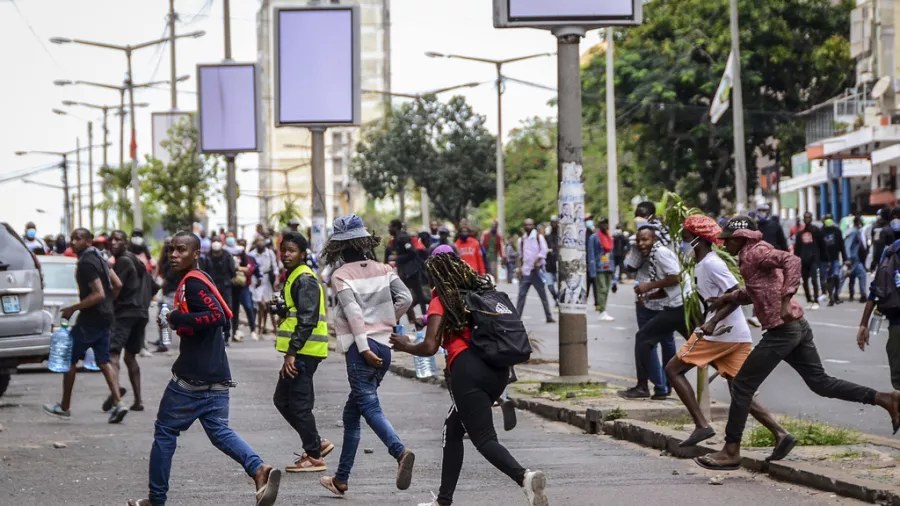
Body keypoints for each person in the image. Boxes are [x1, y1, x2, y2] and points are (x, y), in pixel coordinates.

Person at [694, 216, 900, 471]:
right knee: (820, 383)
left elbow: (793, 261)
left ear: (739, 238)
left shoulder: (756, 252)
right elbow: (755, 291)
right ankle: (885, 399)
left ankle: (731, 450)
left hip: (783, 329)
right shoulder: (750, 256)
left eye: (726, 241)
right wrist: (726, 299)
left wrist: (785, 299)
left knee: (742, 385)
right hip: (796, 327)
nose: (723, 246)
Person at [126, 232, 281, 506]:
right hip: (217, 375)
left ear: (196, 254)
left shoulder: (195, 284)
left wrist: (176, 317)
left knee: (165, 432)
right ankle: (259, 470)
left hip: (191, 379)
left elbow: (216, 317)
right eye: (172, 250)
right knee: (219, 431)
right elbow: (219, 320)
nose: (174, 255)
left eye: (181, 250)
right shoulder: (200, 281)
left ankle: (156, 500)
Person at [391, 252, 548, 506]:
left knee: (484, 439)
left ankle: (524, 477)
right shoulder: (481, 294)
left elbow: (431, 346)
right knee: (452, 430)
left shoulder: (442, 299)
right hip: (497, 373)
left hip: (467, 373)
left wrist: (404, 346)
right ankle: (443, 501)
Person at [664, 216, 794, 458]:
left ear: (696, 238)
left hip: (721, 334)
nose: (680, 239)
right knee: (739, 389)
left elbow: (735, 293)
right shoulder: (703, 263)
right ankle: (781, 434)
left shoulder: (712, 264)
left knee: (673, 369)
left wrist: (711, 322)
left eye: (683, 234)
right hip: (737, 334)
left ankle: (702, 426)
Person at [318, 215, 416, 497]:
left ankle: (399, 452)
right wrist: (386, 321)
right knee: (352, 413)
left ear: (337, 248)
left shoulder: (341, 275)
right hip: (384, 346)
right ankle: (341, 478)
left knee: (370, 407)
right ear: (363, 242)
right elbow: (406, 299)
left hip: (363, 350)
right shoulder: (384, 268)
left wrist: (362, 347)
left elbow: (354, 313)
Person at [42, 228, 128, 424]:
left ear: (89, 241)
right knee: (104, 360)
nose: (73, 242)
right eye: (72, 238)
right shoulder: (100, 257)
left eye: (78, 239)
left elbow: (98, 294)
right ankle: (119, 402)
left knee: (69, 359)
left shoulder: (86, 263)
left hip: (90, 319)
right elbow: (117, 284)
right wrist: (108, 305)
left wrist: (74, 308)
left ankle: (64, 406)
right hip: (104, 317)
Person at [271, 232, 333, 472]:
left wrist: (292, 352)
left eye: (292, 250)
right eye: (284, 250)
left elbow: (307, 319)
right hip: (299, 351)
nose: (286, 255)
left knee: (298, 404)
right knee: (282, 400)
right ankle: (316, 443)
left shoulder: (304, 278)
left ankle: (315, 456)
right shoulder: (294, 276)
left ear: (303, 253)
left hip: (303, 352)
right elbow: (299, 312)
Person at [618, 224, 687, 400]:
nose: (641, 244)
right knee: (649, 339)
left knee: (644, 338)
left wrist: (648, 286)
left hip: (678, 307)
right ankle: (663, 386)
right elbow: (668, 283)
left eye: (645, 239)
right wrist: (649, 295)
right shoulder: (652, 253)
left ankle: (648, 386)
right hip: (673, 305)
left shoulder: (661, 252)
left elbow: (676, 277)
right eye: (639, 240)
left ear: (654, 239)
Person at [106, 230, 150, 413]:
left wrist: (109, 305)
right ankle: (138, 400)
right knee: (130, 356)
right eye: (112, 240)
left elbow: (117, 287)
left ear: (126, 243)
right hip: (140, 313)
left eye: (118, 239)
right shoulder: (138, 262)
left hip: (125, 313)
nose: (114, 243)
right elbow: (153, 287)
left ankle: (116, 396)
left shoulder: (123, 261)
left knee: (112, 354)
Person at [388, 219, 430, 323]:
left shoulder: (403, 238)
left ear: (396, 227)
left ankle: (420, 320)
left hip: (411, 272)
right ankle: (413, 322)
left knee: (415, 296)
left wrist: (397, 258)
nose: (389, 229)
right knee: (412, 296)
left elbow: (412, 252)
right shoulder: (396, 239)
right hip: (405, 272)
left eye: (390, 226)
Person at [515, 219, 555, 324]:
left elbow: (544, 250)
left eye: (530, 225)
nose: (528, 226)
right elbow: (520, 255)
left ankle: (548, 316)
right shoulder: (522, 240)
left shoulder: (538, 237)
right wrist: (519, 268)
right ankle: (517, 317)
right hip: (526, 271)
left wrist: (538, 260)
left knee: (543, 295)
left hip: (536, 271)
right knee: (521, 295)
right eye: (526, 225)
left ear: (533, 226)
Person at [201, 238, 236, 344]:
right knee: (212, 310)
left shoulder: (227, 255)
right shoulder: (207, 257)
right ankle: (214, 334)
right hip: (211, 287)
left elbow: (232, 271)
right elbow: (203, 271)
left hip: (225, 286)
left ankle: (226, 335)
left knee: (226, 310)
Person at [225, 233, 257, 341]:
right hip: (231, 286)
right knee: (233, 309)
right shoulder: (224, 253)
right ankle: (234, 331)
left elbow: (248, 268)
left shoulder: (243, 254)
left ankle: (253, 330)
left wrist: (237, 268)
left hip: (243, 285)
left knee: (248, 306)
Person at [794, 212, 825, 310]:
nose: (807, 219)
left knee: (814, 280)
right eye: (805, 218)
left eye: (809, 217)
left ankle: (816, 300)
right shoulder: (800, 233)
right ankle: (809, 299)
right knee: (805, 282)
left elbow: (822, 245)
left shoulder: (816, 231)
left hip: (814, 260)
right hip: (803, 260)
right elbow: (797, 248)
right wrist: (796, 260)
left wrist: (823, 259)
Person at [587, 216, 616, 322]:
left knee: (606, 290)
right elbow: (591, 254)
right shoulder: (594, 237)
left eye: (606, 223)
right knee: (602, 289)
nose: (605, 225)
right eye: (603, 223)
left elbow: (611, 254)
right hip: (599, 267)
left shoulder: (609, 237)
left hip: (609, 266)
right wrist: (592, 271)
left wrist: (614, 269)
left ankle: (604, 309)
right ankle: (602, 311)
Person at [250, 237, 280, 336]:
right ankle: (258, 329)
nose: (260, 243)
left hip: (267, 280)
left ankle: (273, 329)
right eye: (258, 241)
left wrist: (276, 280)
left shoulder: (269, 253)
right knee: (260, 305)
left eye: (262, 241)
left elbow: (275, 267)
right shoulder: (252, 254)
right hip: (256, 280)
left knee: (270, 305)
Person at [820, 214, 847, 306]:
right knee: (828, 279)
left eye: (830, 219)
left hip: (835, 258)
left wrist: (845, 258)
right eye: (827, 219)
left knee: (836, 276)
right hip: (824, 260)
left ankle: (836, 294)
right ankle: (831, 297)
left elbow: (842, 245)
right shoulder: (821, 231)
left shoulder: (837, 231)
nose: (828, 221)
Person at [842, 216, 869, 303]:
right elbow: (848, 245)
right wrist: (848, 258)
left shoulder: (856, 231)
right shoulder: (854, 232)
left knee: (851, 277)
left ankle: (851, 295)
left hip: (855, 258)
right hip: (853, 259)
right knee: (862, 275)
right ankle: (863, 295)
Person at [870, 207, 896, 273]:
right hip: (889, 258)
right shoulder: (891, 227)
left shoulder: (875, 226)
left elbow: (875, 242)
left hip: (879, 257)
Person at [544, 216, 560, 305]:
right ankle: (556, 299)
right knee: (550, 286)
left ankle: (559, 300)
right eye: (552, 222)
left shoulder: (561, 237)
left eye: (555, 222)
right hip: (549, 265)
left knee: (559, 286)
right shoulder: (547, 237)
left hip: (558, 264)